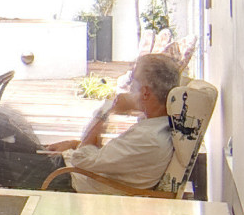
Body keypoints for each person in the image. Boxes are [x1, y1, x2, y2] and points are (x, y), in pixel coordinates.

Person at [51, 45, 187, 193]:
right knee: (24, 146)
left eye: (133, 82)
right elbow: (107, 156)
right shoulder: (156, 128)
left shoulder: (148, 137)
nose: (129, 88)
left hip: (67, 180)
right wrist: (73, 144)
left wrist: (108, 110)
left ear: (145, 92)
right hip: (70, 171)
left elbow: (81, 159)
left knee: (21, 155)